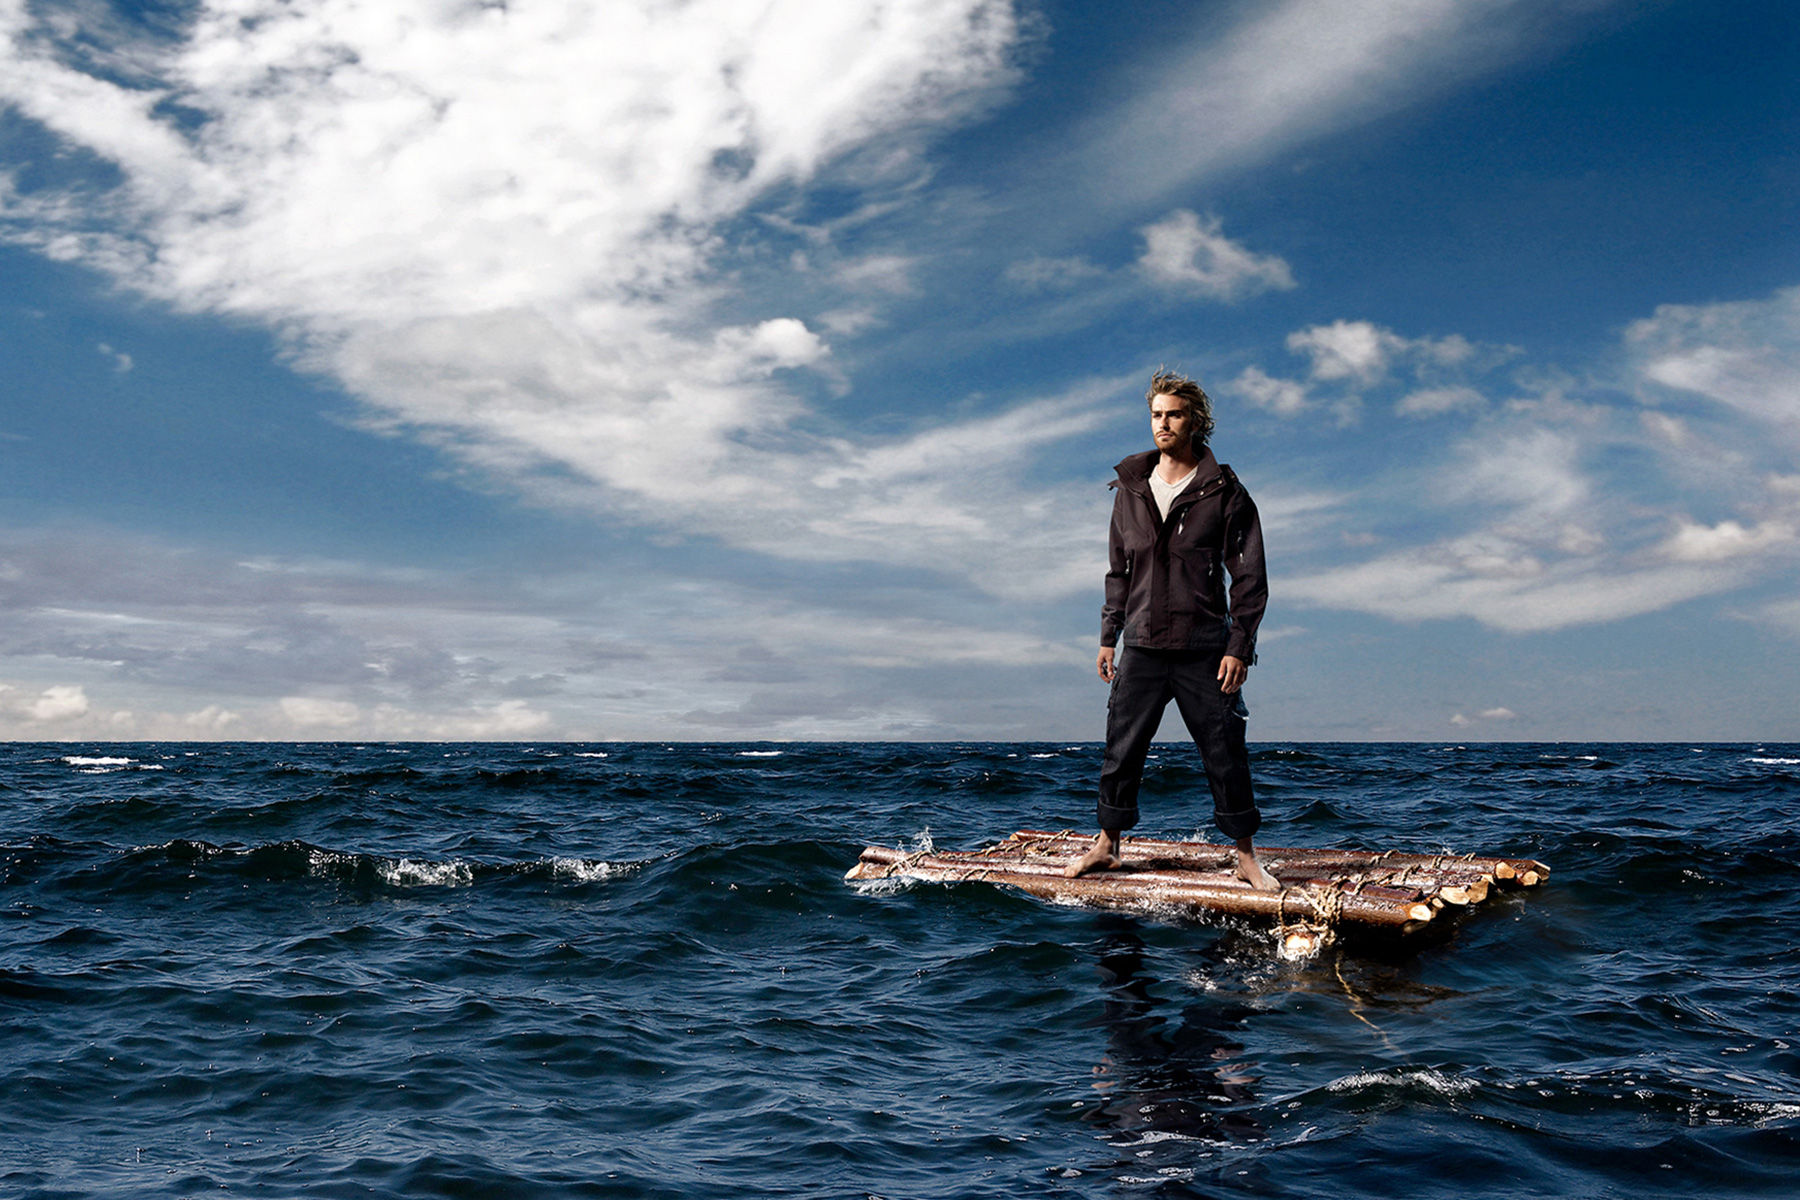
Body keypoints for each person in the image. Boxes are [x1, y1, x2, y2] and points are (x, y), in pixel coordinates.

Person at [1066, 371, 1277, 889]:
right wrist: (1107, 635)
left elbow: (1249, 577)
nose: (1163, 423)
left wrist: (1239, 646)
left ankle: (1246, 855)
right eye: (1157, 414)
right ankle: (1107, 845)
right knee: (1122, 745)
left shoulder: (1225, 492)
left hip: (1204, 645)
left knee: (1225, 748)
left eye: (1174, 414)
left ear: (1195, 422)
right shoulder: (1131, 490)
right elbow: (1119, 569)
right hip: (1139, 641)